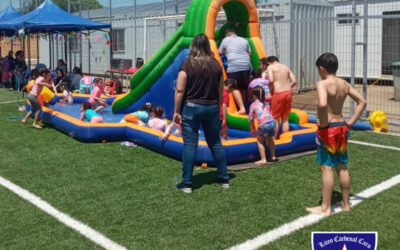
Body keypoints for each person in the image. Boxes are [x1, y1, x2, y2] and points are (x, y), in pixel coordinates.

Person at [306, 53, 366, 216]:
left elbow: (323, 103)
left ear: (321, 68)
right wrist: (351, 121)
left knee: (326, 168)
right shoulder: (344, 84)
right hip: (341, 127)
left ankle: (325, 207)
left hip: (328, 128)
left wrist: (324, 123)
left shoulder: (323, 83)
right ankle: (346, 204)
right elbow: (362, 102)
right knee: (342, 166)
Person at [174, 33, 229, 193]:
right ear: (207, 47)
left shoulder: (187, 64)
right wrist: (217, 108)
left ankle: (187, 183)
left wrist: (176, 111)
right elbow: (220, 91)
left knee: (190, 144)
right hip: (211, 107)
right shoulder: (216, 65)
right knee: (216, 142)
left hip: (191, 107)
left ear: (193, 46)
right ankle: (224, 178)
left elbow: (179, 89)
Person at [218, 28, 251, 114]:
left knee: (234, 87)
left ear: (227, 35)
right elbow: (249, 53)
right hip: (246, 65)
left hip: (234, 66)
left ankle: (241, 108)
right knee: (243, 87)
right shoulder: (243, 40)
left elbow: (219, 52)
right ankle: (242, 106)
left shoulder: (226, 40)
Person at [265, 56, 297, 138]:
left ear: (268, 62)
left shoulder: (270, 67)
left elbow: (271, 80)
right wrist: (287, 87)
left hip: (278, 93)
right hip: (288, 92)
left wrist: (270, 90)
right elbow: (294, 81)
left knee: (275, 118)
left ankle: (274, 140)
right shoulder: (285, 67)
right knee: (285, 118)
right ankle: (285, 139)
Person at [248, 86, 276, 165]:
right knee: (270, 139)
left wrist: (252, 128)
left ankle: (263, 160)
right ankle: (273, 157)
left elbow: (250, 119)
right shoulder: (266, 103)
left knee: (260, 141)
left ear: (254, 95)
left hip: (263, 124)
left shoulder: (253, 105)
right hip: (272, 122)